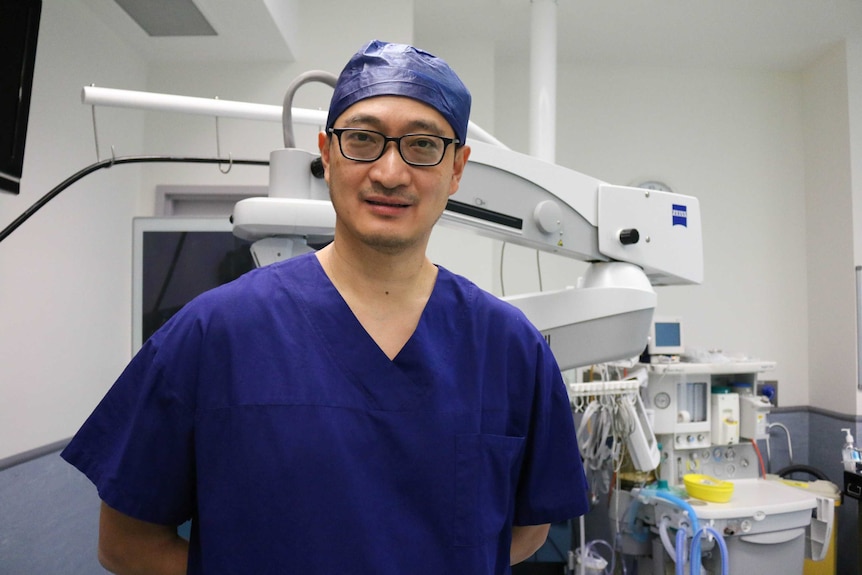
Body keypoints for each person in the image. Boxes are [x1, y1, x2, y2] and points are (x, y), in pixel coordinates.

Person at [61, 40, 589, 574]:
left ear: (457, 169)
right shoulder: (214, 333)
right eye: (363, 139)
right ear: (329, 154)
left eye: (423, 145)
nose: (389, 172)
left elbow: (523, 529)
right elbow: (127, 542)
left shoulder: (509, 347)